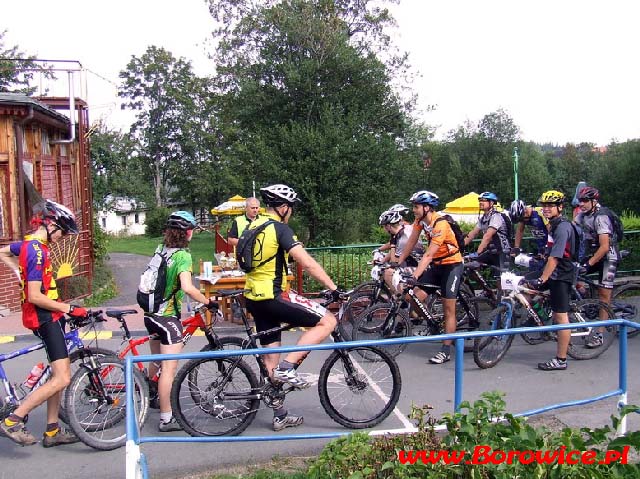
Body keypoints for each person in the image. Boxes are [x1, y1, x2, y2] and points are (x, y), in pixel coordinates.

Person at [243, 184, 340, 431]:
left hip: (253, 296)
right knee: (328, 320)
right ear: (283, 207)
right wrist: (333, 286)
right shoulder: (279, 229)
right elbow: (305, 262)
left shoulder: (252, 225)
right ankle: (289, 367)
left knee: (270, 359)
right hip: (273, 294)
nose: (292, 212)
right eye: (291, 207)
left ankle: (280, 415)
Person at [0, 200, 83, 447]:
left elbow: (2, 251)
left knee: (57, 373)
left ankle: (52, 430)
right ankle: (14, 420)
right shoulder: (36, 251)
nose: (63, 238)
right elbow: (36, 296)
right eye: (63, 232)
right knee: (63, 378)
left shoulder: (31, 245)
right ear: (50, 225)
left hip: (49, 316)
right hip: (44, 318)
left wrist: (19, 273)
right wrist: (69, 308)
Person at [144, 211, 218, 432]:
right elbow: (187, 287)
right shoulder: (182, 256)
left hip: (151, 314)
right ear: (187, 232)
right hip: (167, 318)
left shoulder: (161, 249)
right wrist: (208, 302)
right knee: (169, 368)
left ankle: (154, 395)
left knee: (157, 360)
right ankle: (167, 419)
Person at [395, 190, 464, 365]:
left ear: (427, 207)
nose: (413, 210)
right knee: (412, 296)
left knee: (449, 309)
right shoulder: (420, 221)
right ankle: (433, 324)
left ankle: (446, 350)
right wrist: (398, 262)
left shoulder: (440, 225)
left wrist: (415, 276)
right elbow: (411, 242)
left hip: (452, 266)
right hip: (437, 266)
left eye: (416, 206)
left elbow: (428, 255)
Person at [524, 190, 576, 371]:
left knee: (561, 316)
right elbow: (549, 252)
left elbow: (555, 258)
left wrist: (542, 278)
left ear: (560, 207)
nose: (545, 209)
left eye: (550, 205)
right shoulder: (553, 225)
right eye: (544, 205)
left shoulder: (562, 227)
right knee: (524, 285)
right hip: (553, 271)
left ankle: (561, 360)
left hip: (562, 274)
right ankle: (540, 317)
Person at [574, 186, 621, 348]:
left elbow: (605, 247)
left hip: (609, 256)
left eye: (586, 201)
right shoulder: (582, 215)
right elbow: (571, 231)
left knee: (603, 294)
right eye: (580, 201)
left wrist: (588, 264)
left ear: (594, 201)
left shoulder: (601, 217)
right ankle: (584, 294)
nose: (582, 204)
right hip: (595, 254)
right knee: (573, 273)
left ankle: (600, 334)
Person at [377, 209, 424, 293]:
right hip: (413, 263)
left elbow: (395, 262)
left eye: (384, 226)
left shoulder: (403, 238)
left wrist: (392, 245)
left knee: (388, 272)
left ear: (389, 226)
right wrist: (382, 261)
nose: (384, 229)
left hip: (418, 267)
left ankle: (400, 298)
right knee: (388, 269)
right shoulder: (403, 230)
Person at [463, 191, 511, 268]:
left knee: (501, 278)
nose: (480, 202)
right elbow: (473, 233)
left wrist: (478, 252)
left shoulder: (496, 217)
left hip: (502, 252)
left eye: (484, 200)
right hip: (491, 252)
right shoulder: (483, 218)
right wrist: (460, 246)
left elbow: (487, 236)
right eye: (480, 200)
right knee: (471, 266)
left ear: (491, 203)